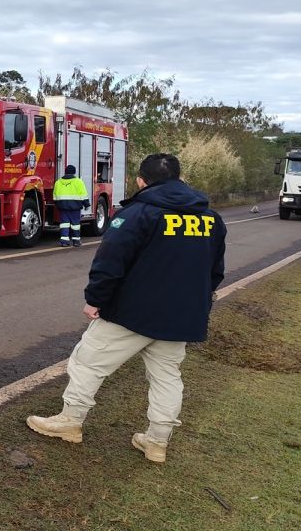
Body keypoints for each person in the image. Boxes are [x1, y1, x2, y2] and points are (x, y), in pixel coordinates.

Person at [25, 153, 227, 464]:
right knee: (167, 377)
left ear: (141, 181)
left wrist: (96, 299)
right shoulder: (210, 218)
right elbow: (215, 271)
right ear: (180, 178)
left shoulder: (138, 213)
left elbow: (110, 261)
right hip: (182, 315)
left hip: (133, 312)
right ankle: (157, 442)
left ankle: (70, 421)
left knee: (87, 363)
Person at [53, 164, 90, 247]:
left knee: (64, 224)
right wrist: (86, 204)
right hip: (75, 207)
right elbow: (83, 194)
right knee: (75, 224)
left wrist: (58, 204)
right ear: (74, 172)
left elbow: (55, 196)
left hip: (63, 207)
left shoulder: (58, 182)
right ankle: (76, 241)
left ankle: (64, 241)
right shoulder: (78, 181)